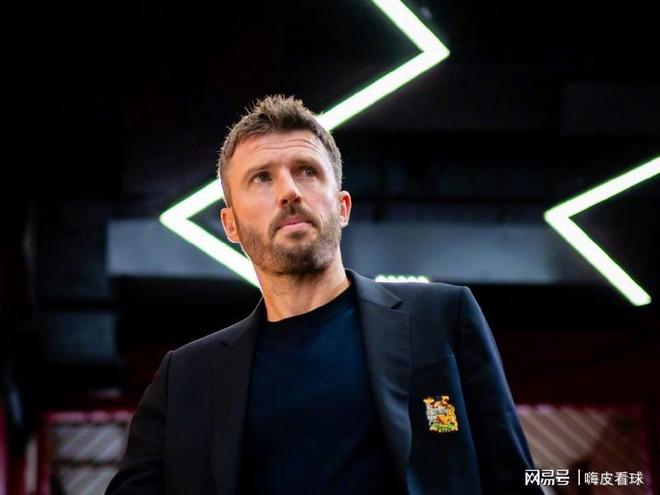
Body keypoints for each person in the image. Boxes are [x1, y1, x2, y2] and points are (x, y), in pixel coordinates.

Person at [106, 95, 542, 494]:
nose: (289, 192)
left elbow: (516, 479)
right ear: (231, 225)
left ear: (343, 206)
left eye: (307, 171)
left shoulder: (442, 318)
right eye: (262, 178)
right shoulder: (185, 379)